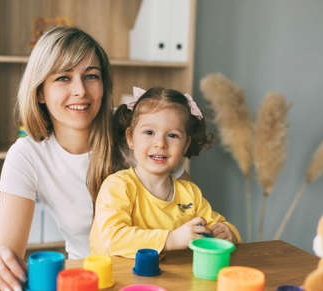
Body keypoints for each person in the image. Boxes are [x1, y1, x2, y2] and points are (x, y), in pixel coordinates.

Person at [0, 26, 116, 291]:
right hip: (87, 284)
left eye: (92, 76)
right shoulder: (27, 155)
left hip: (155, 276)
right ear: (40, 92)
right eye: (63, 78)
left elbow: (188, 208)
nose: (80, 91)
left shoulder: (140, 132)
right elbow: (6, 252)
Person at [89, 87, 241, 258]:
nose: (160, 143)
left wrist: (229, 232)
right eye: (149, 132)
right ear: (131, 138)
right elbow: (112, 239)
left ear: (185, 145)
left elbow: (215, 224)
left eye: (172, 135)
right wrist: (171, 239)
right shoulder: (118, 186)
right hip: (119, 281)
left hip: (167, 281)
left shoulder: (190, 193)